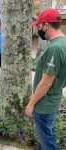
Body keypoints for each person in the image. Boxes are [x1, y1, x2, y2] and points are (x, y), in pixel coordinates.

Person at [25, 8, 66, 150]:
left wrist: (31, 103)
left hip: (45, 105)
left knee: (47, 142)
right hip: (53, 100)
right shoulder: (64, 43)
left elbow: (46, 82)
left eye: (39, 25)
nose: (38, 29)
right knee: (49, 134)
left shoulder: (55, 48)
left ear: (46, 25)